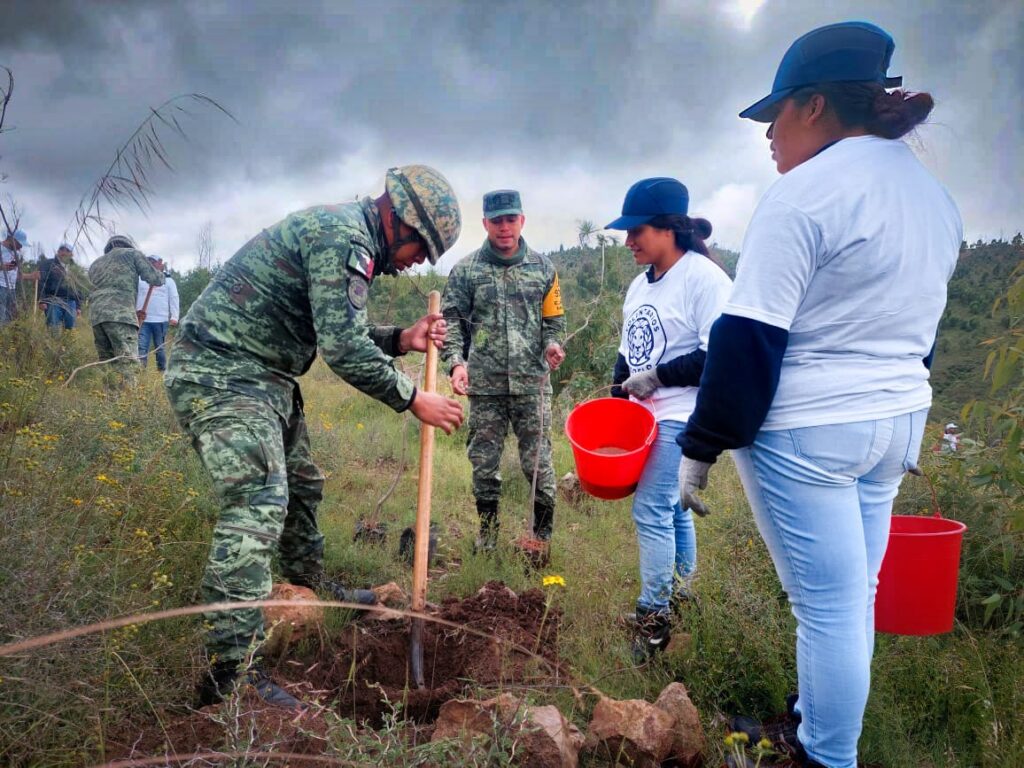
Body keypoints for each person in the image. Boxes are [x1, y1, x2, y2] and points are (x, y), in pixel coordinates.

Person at [676, 22, 961, 768]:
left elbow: (750, 337)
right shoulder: (933, 198)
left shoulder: (804, 194)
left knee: (827, 607)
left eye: (774, 117)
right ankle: (809, 728)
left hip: (812, 429)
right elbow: (920, 333)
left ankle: (825, 758)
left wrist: (700, 446)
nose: (768, 136)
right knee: (851, 596)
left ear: (811, 106)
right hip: (896, 419)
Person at [165, 165, 464, 709]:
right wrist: (414, 398)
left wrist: (401, 338)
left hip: (264, 374)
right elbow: (343, 349)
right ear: (397, 217)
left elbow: (334, 326)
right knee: (257, 499)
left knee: (303, 481)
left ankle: (308, 584)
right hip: (221, 369)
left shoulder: (352, 237)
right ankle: (230, 674)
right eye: (421, 245)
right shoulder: (344, 238)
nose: (419, 259)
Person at [605, 177, 731, 662]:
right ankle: (682, 597)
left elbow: (717, 356)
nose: (629, 241)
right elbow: (625, 359)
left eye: (637, 230)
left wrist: (655, 377)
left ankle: (652, 619)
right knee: (673, 510)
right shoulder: (639, 287)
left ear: (669, 229)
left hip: (682, 416)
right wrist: (617, 397)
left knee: (651, 512)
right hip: (644, 421)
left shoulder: (704, 279)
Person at [440, 189, 566, 553]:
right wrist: (456, 363)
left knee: (538, 465)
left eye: (511, 219)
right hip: (485, 386)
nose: (505, 228)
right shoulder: (466, 271)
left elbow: (554, 321)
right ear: (485, 224)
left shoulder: (544, 270)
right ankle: (488, 536)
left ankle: (541, 540)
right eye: (497, 221)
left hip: (532, 385)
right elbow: (453, 323)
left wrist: (553, 346)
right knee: (483, 464)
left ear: (522, 220)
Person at [87, 235, 165, 385]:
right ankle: (130, 399)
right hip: (121, 315)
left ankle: (110, 399)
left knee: (107, 362)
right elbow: (155, 279)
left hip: (97, 316)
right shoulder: (131, 254)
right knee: (127, 361)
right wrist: (161, 274)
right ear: (127, 245)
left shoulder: (95, 264)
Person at [136, 255, 179, 371]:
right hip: (143, 320)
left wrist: (175, 316)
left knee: (160, 348)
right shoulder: (140, 280)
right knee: (141, 347)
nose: (150, 263)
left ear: (160, 264)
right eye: (148, 261)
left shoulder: (168, 281)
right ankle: (140, 371)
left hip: (161, 320)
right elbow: (134, 295)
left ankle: (162, 371)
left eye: (153, 261)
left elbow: (174, 298)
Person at [38, 244, 84, 330]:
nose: (64, 252)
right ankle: (53, 343)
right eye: (62, 250)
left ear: (71, 254)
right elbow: (42, 282)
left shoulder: (74, 268)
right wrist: (42, 300)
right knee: (53, 327)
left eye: (67, 251)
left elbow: (78, 288)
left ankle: (67, 343)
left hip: (70, 301)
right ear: (58, 252)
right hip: (53, 300)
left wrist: (78, 306)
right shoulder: (48, 264)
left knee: (70, 329)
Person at [1, 229, 29, 325]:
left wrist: (31, 276)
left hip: (12, 289)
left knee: (9, 319)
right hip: (0, 286)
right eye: (19, 244)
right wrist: (1, 267)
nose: (20, 247)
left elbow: (16, 276)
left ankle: (5, 339)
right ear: (12, 239)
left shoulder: (16, 254)